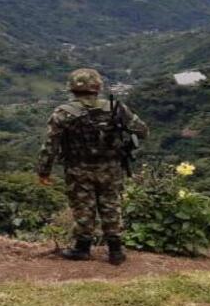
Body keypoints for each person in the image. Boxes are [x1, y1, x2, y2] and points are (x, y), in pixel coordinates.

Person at [37, 68, 148, 265]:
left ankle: (82, 248)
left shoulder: (62, 113)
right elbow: (142, 131)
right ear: (98, 87)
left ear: (72, 88)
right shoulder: (116, 108)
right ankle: (115, 251)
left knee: (83, 207)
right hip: (111, 167)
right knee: (111, 205)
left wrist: (44, 171)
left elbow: (50, 146)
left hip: (78, 169)